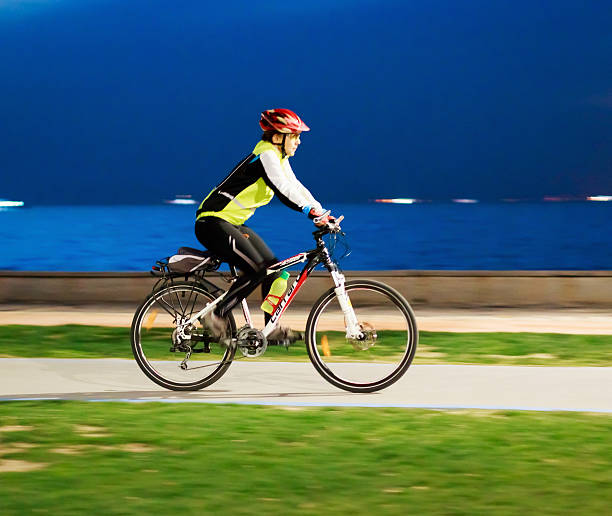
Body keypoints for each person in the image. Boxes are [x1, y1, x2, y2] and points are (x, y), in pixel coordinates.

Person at [194, 108, 333, 341]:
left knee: (275, 270)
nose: (299, 141)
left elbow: (296, 186)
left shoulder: (278, 157)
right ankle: (216, 315)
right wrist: (310, 212)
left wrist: (322, 212)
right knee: (257, 269)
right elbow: (284, 189)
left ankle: (271, 328)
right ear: (278, 137)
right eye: (295, 136)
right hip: (212, 221)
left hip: (232, 223)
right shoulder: (266, 154)